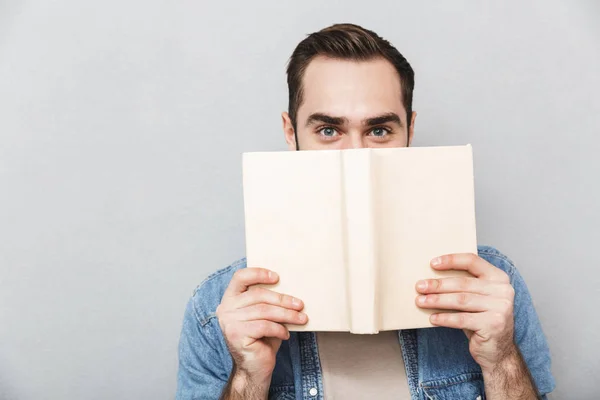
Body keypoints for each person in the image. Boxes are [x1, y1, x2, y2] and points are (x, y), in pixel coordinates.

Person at [176, 23, 554, 400]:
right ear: (291, 134)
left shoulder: (492, 289)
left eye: (379, 131)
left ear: (410, 132)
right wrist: (248, 377)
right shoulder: (215, 310)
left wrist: (502, 359)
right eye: (327, 130)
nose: (356, 155)